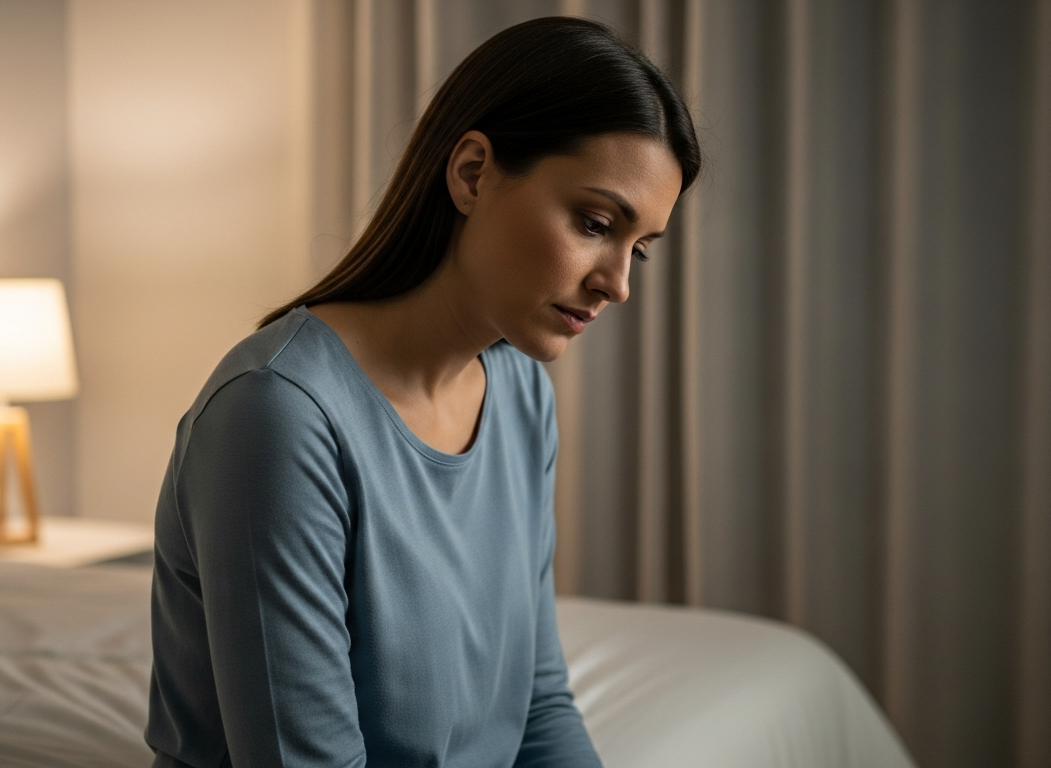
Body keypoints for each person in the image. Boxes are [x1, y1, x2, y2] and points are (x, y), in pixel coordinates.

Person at [146, 15, 701, 767]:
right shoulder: (276, 415)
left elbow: (537, 704)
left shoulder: (519, 393)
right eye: (595, 222)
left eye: (639, 249)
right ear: (472, 173)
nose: (618, 284)